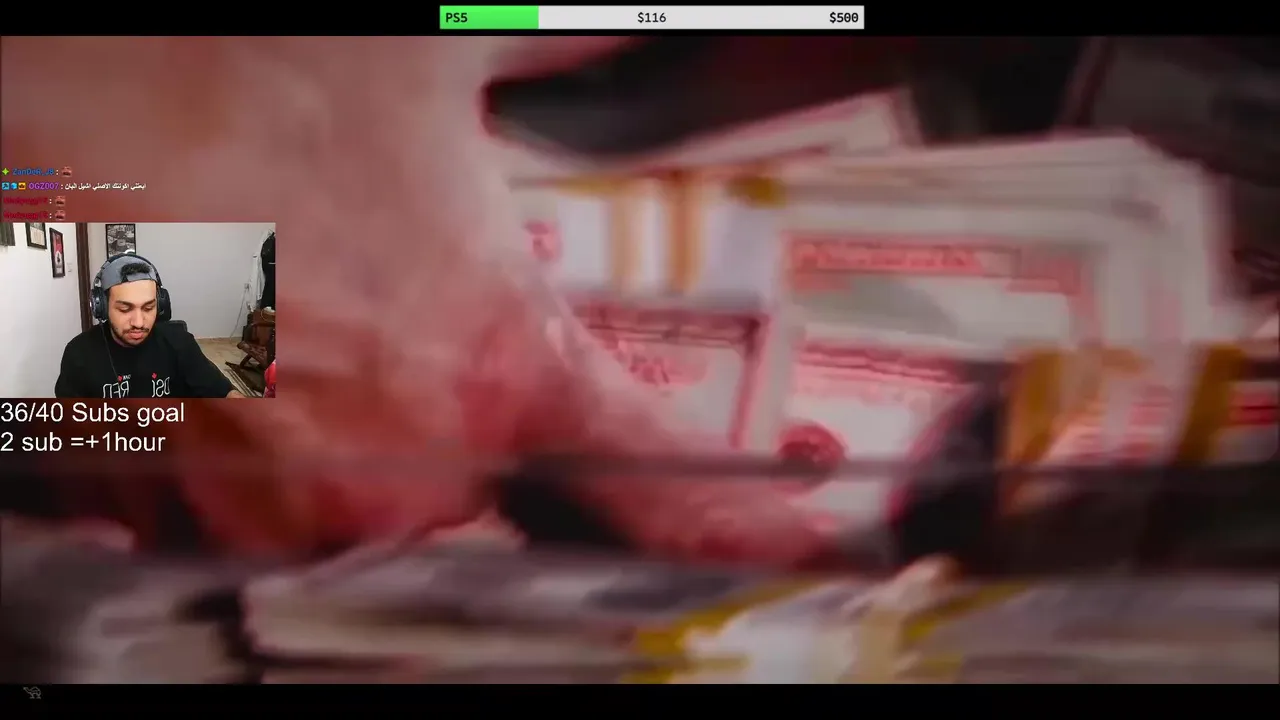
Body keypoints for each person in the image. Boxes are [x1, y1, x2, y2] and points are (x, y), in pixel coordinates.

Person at [54, 254, 245, 399]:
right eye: (124, 309)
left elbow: (224, 392)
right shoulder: (79, 353)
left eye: (148, 307)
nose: (138, 322)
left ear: (160, 305)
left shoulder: (180, 342)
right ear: (101, 307)